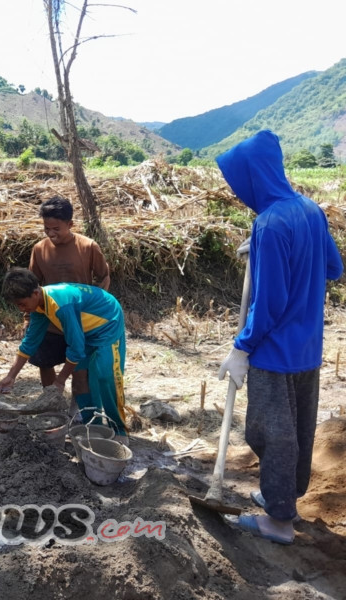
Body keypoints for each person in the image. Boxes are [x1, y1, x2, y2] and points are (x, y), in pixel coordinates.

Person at [216, 130, 343, 544]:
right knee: (300, 430)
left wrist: (242, 346)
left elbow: (269, 303)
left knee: (270, 432)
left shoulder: (269, 223)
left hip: (273, 351)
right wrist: (268, 251)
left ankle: (279, 521)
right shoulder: (310, 209)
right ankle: (283, 494)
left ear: (253, 176)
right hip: (307, 348)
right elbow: (333, 268)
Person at [0, 268, 127, 437]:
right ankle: (92, 426)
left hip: (108, 322)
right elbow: (29, 343)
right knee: (81, 379)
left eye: (22, 304)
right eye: (17, 306)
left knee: (105, 376)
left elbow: (76, 349)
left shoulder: (61, 305)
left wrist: (60, 380)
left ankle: (120, 430)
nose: (22, 309)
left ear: (35, 293)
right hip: (85, 330)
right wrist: (11, 376)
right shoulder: (39, 306)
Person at [28, 196, 110, 417]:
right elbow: (32, 286)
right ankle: (52, 405)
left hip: (79, 322)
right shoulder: (39, 249)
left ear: (70, 224)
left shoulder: (88, 246)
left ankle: (77, 412)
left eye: (56, 228)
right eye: (46, 228)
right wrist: (31, 316)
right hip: (49, 321)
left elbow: (103, 277)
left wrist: (96, 311)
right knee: (45, 364)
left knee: (79, 371)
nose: (51, 233)